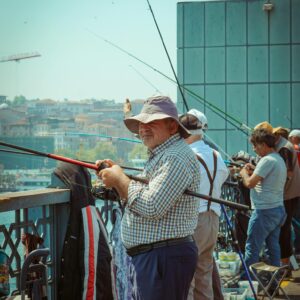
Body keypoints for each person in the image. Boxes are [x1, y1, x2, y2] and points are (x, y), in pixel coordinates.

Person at [96, 95, 201, 300]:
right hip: (155, 258)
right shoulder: (162, 154)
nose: (143, 128)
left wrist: (120, 179)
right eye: (141, 123)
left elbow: (151, 206)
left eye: (151, 122)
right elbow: (143, 195)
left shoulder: (175, 157)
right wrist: (117, 180)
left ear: (172, 126)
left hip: (163, 259)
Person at [180, 109, 229, 300]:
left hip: (194, 218)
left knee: (188, 275)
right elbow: (223, 175)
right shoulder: (215, 154)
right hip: (213, 217)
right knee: (204, 272)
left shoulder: (186, 156)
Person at [239, 129, 286, 270]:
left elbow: (249, 183)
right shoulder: (277, 159)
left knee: (252, 247)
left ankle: (249, 282)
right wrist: (254, 169)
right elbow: (267, 177)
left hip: (264, 211)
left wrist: (243, 173)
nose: (254, 149)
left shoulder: (267, 160)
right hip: (277, 209)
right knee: (272, 248)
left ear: (264, 144)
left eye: (255, 145)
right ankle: (274, 281)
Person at [255, 122, 300, 266]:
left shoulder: (283, 149)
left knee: (283, 231)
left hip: (286, 195)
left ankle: (285, 265)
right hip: (290, 193)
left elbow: (287, 174)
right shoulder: (283, 144)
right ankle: (286, 265)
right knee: (283, 230)